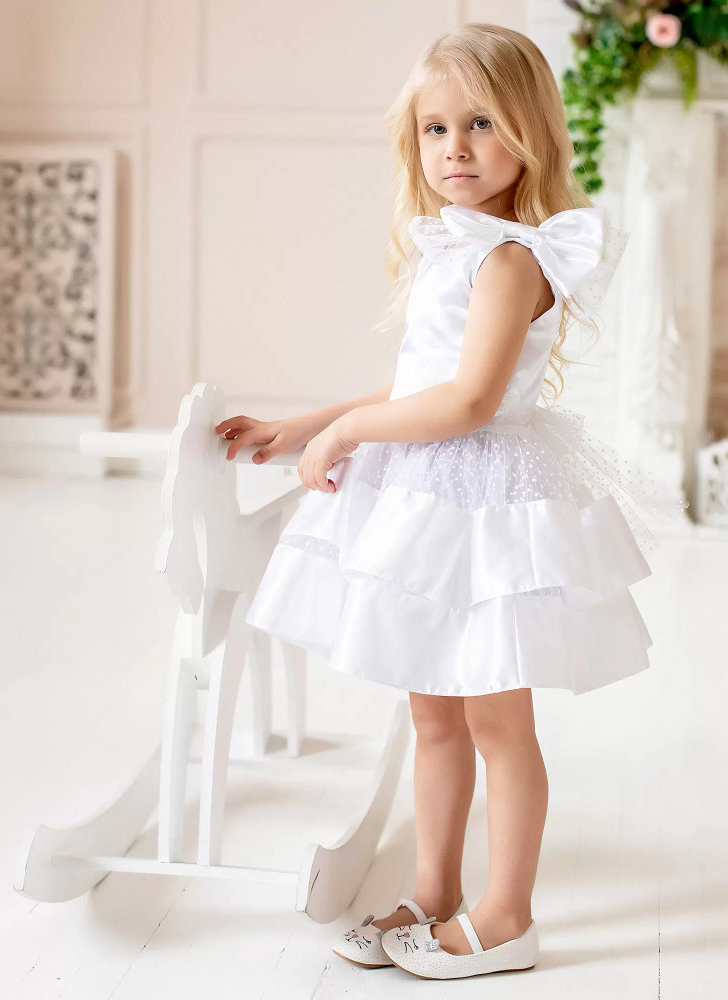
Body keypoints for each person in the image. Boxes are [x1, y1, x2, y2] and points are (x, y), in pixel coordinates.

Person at [214, 22, 686, 981]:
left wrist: (350, 435)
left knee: (496, 721)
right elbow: (416, 388)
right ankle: (433, 893)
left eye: (481, 124)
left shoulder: (510, 260)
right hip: (430, 497)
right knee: (432, 717)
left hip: (484, 508)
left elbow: (469, 403)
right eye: (436, 129)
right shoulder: (452, 250)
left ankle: (506, 916)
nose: (455, 148)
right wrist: (307, 425)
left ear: (529, 134)